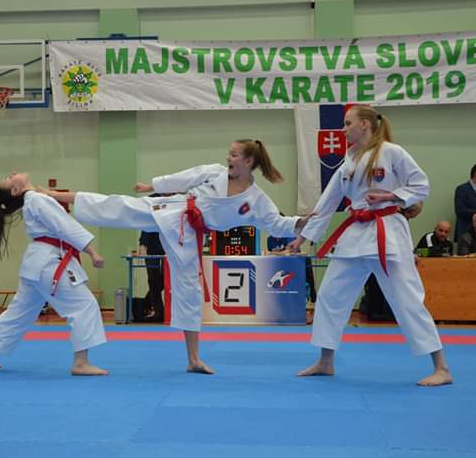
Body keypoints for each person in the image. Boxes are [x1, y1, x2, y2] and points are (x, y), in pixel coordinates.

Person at [48, 139, 309, 374]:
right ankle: (57, 196)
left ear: (249, 161)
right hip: (174, 211)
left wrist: (300, 223)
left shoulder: (256, 200)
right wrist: (152, 186)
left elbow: (277, 224)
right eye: (228, 153)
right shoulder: (215, 173)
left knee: (190, 290)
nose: (228, 158)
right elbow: (185, 177)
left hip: (190, 237)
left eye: (233, 155)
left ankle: (193, 359)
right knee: (122, 206)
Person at [288, 105, 452, 387]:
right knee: (329, 295)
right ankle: (326, 361)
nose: (343, 129)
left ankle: (442, 367)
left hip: (387, 232)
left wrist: (391, 196)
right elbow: (327, 203)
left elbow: (421, 185)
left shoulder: (392, 152)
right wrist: (304, 236)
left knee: (407, 299)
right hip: (355, 234)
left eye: (347, 123)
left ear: (365, 124)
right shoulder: (349, 161)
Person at [0, 172, 108, 375]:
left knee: (17, 314)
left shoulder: (34, 199)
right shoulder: (35, 199)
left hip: (35, 264)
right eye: (9, 178)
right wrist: (92, 251)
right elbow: (66, 226)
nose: (12, 173)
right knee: (84, 305)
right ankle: (81, 363)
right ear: (15, 190)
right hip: (48, 263)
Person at [138, 228, 165, 322]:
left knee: (165, 280)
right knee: (153, 280)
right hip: (151, 248)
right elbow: (145, 227)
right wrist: (142, 245)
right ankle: (159, 312)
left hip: (168, 247)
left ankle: (144, 304)